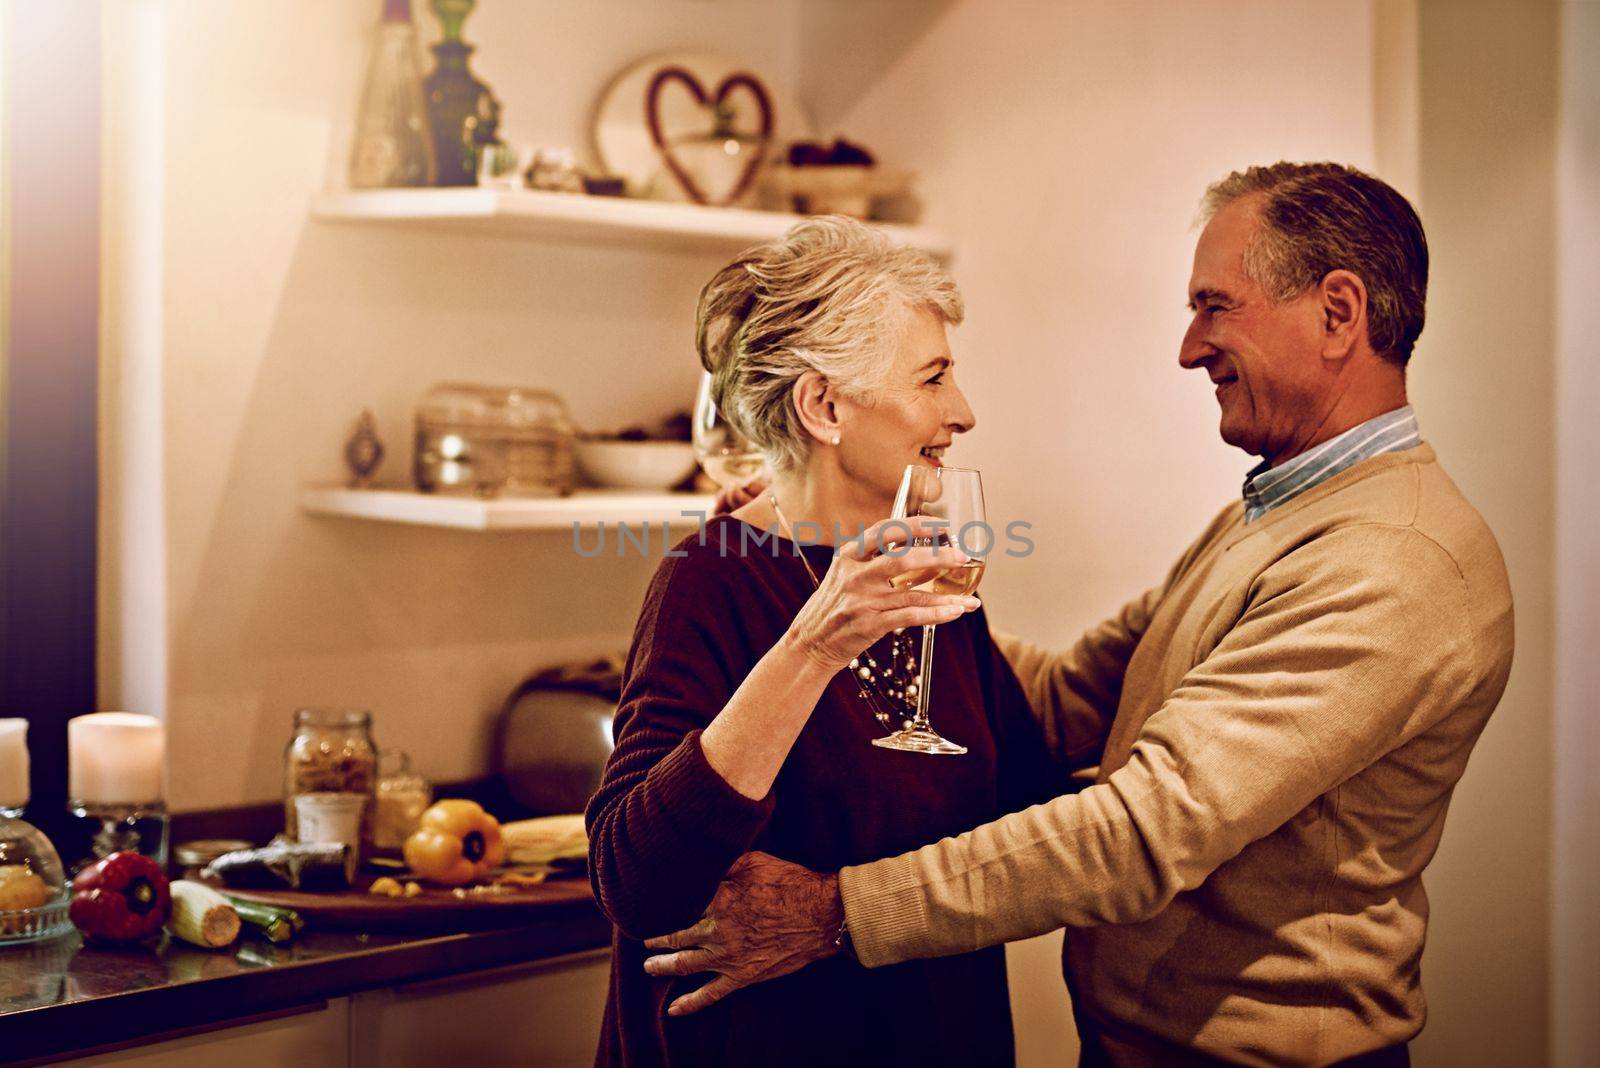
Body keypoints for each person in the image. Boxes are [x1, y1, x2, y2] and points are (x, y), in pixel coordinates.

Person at [641, 162, 1516, 1067]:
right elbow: (1067, 699)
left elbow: (1144, 829)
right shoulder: (1276, 516)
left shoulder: (1391, 558)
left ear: (1339, 313)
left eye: (1215, 306)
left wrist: (834, 913)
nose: (1189, 346)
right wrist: (806, 578)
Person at [585, 216, 1064, 1066]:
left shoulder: (928, 578)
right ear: (824, 406)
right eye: (934, 377)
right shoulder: (713, 576)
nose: (963, 411)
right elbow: (637, 879)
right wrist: (813, 647)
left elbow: (1024, 808)